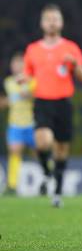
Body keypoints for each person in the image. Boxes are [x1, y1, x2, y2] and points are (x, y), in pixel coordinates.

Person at [23, 4, 82, 207]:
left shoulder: (71, 47)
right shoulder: (32, 49)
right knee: (43, 142)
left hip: (63, 103)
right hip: (42, 102)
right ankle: (46, 172)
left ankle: (57, 193)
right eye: (48, 19)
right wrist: (23, 83)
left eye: (55, 18)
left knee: (61, 149)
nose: (52, 22)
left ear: (61, 22)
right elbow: (28, 76)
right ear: (42, 23)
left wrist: (75, 65)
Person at [1, 52, 36, 195]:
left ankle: (49, 180)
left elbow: (42, 97)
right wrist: (7, 101)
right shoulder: (8, 82)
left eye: (19, 63)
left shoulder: (32, 80)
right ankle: (12, 185)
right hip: (15, 124)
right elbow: (3, 101)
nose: (16, 67)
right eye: (14, 64)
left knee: (40, 153)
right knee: (15, 151)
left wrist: (29, 95)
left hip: (32, 123)